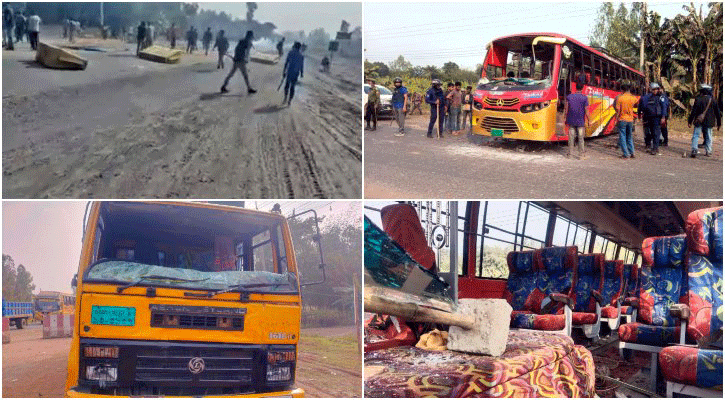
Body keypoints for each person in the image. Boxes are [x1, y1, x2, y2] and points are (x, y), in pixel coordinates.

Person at [687, 84, 721, 158]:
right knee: (709, 136)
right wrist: (719, 123)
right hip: (709, 122)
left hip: (698, 121)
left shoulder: (698, 99)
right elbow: (717, 113)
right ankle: (708, 151)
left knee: (696, 135)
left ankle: (694, 150)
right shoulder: (713, 100)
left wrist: (690, 121)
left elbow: (693, 112)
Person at [221, 30, 256, 94]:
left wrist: (235, 57)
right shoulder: (248, 42)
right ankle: (249, 89)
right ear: (250, 36)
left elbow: (236, 49)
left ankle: (223, 86)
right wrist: (245, 59)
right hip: (241, 60)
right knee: (245, 76)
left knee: (231, 74)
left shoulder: (241, 41)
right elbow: (247, 52)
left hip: (236, 59)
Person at [638, 82, 667, 155]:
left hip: (657, 118)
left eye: (656, 89)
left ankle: (655, 148)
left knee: (656, 133)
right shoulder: (647, 97)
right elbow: (642, 106)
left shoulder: (661, 97)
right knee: (649, 132)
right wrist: (640, 114)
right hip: (648, 117)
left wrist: (663, 117)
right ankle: (650, 145)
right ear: (651, 89)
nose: (655, 91)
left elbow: (664, 107)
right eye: (653, 89)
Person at [564, 82, 590, 159]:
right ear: (582, 88)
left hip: (571, 120)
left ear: (575, 88)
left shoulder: (569, 97)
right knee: (581, 138)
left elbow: (566, 109)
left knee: (571, 138)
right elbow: (587, 110)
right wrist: (589, 120)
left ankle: (570, 155)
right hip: (580, 122)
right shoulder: (584, 98)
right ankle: (581, 155)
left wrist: (565, 118)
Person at [614, 82, 638, 159]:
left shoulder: (619, 98)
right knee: (629, 137)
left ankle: (626, 154)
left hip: (622, 119)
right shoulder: (633, 98)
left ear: (622, 90)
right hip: (630, 120)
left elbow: (618, 110)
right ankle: (632, 152)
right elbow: (636, 103)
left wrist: (616, 119)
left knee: (622, 137)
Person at [282, 41, 304, 105]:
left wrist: (284, 71)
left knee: (287, 86)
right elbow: (301, 66)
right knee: (292, 87)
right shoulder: (301, 55)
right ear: (299, 47)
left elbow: (286, 63)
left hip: (289, 71)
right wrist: (302, 73)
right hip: (296, 73)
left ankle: (285, 97)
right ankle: (289, 101)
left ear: (294, 46)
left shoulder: (290, 53)